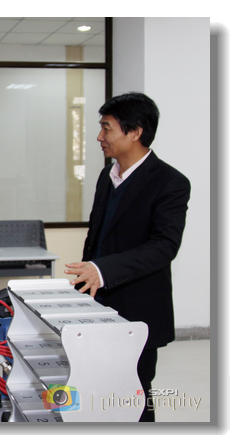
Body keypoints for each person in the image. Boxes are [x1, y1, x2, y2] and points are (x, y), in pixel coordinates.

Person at [65, 92, 191, 422]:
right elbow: (97, 237)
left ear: (135, 132)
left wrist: (102, 270)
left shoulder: (170, 182)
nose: (99, 136)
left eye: (107, 128)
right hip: (97, 307)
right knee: (96, 391)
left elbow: (164, 247)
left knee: (134, 395)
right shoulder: (106, 177)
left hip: (139, 310)